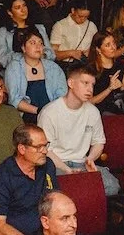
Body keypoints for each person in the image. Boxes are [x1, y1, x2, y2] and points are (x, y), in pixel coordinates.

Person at [0, 124, 58, 235]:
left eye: (46, 145)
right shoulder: (1, 177)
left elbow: (55, 202)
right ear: (22, 148)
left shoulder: (48, 166)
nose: (45, 151)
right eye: (39, 147)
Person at [40, 66, 119, 195]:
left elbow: (98, 142)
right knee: (64, 191)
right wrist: (66, 169)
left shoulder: (93, 111)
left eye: (92, 85)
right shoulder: (49, 112)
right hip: (56, 165)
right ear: (70, 83)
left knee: (112, 186)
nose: (90, 89)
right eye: (85, 83)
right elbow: (46, 150)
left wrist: (90, 159)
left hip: (82, 163)